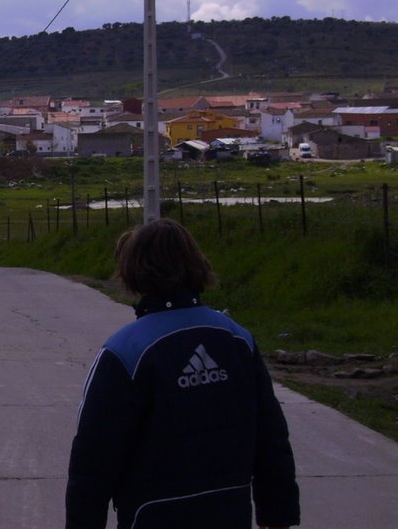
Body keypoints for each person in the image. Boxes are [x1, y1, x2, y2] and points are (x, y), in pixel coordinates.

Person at [65, 218, 300, 529]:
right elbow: (271, 438)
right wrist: (278, 517)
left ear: (133, 271)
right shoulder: (237, 339)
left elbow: (92, 463)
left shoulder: (124, 352)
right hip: (230, 513)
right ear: (197, 264)